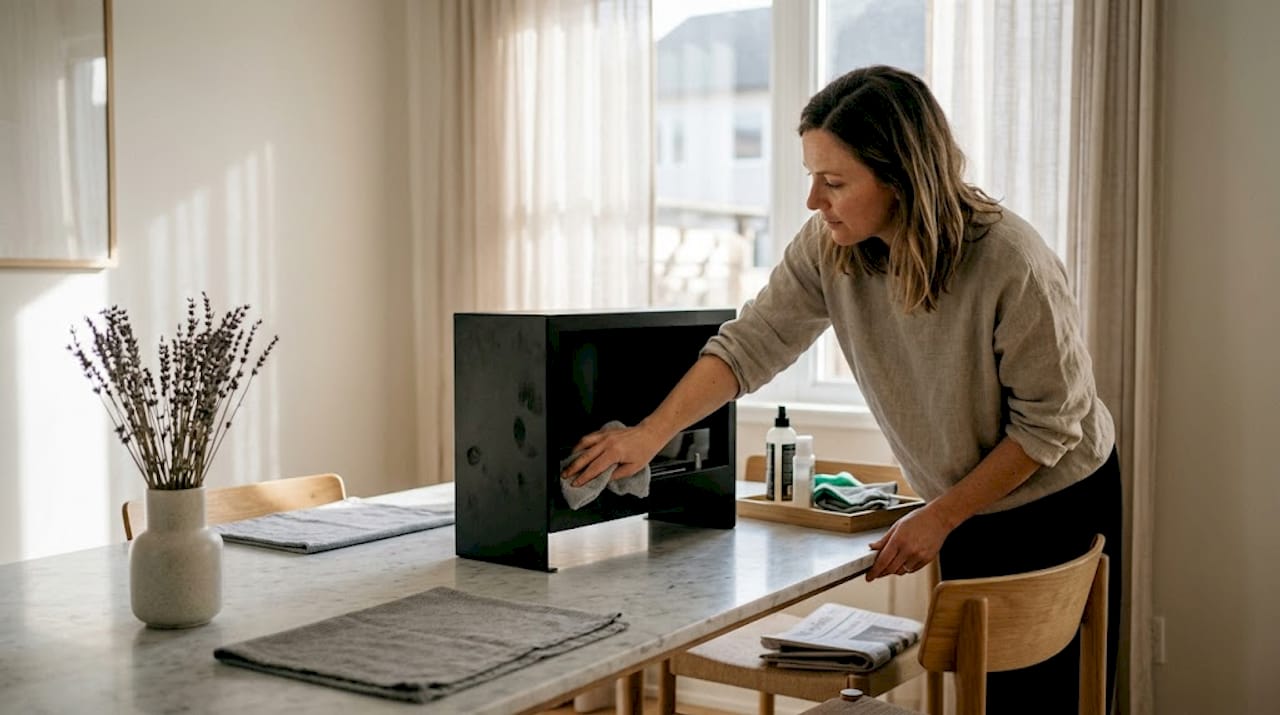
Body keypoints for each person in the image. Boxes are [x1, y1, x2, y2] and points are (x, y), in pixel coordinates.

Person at [561, 65, 1122, 713]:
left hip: (1055, 492)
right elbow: (750, 344)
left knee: (1040, 699)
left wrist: (940, 514)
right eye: (810, 178)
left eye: (833, 182)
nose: (812, 201)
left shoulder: (1008, 260)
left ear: (900, 179)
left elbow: (1050, 426)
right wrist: (650, 434)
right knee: (984, 695)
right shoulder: (829, 248)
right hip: (963, 500)